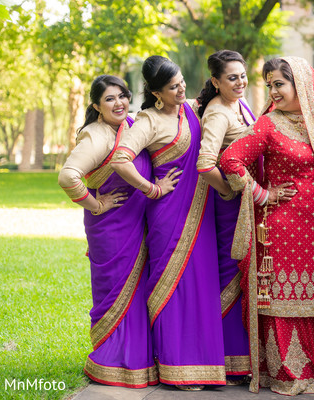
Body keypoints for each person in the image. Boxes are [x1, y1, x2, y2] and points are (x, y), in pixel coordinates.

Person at [219, 56, 314, 395]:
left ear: (301, 84)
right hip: (282, 226)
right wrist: (262, 194)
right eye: (270, 85)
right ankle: (287, 373)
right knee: (284, 296)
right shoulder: (268, 124)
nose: (273, 91)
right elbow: (230, 159)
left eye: (280, 83)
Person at [110, 56, 226, 390]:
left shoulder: (189, 109)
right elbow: (121, 160)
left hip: (202, 211)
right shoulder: (148, 120)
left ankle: (202, 364)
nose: (181, 88)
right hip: (169, 214)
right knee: (173, 287)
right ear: (156, 92)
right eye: (173, 87)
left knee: (201, 285)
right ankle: (177, 367)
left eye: (181, 82)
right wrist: (152, 188)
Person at [58, 75, 157, 387]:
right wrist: (95, 205)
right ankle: (113, 362)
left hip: (138, 224)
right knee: (116, 295)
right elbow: (68, 176)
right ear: (96, 106)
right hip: (111, 228)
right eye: (110, 99)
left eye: (123, 96)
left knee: (139, 293)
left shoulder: (130, 125)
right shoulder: (96, 136)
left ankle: (139, 360)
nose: (119, 103)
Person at [196, 49, 257, 381]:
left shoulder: (239, 104)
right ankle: (228, 359)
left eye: (242, 75)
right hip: (228, 206)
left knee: (243, 274)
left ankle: (242, 356)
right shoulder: (219, 113)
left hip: (244, 203)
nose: (240, 82)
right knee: (231, 274)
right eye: (232, 78)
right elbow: (205, 163)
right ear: (216, 82)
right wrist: (228, 191)